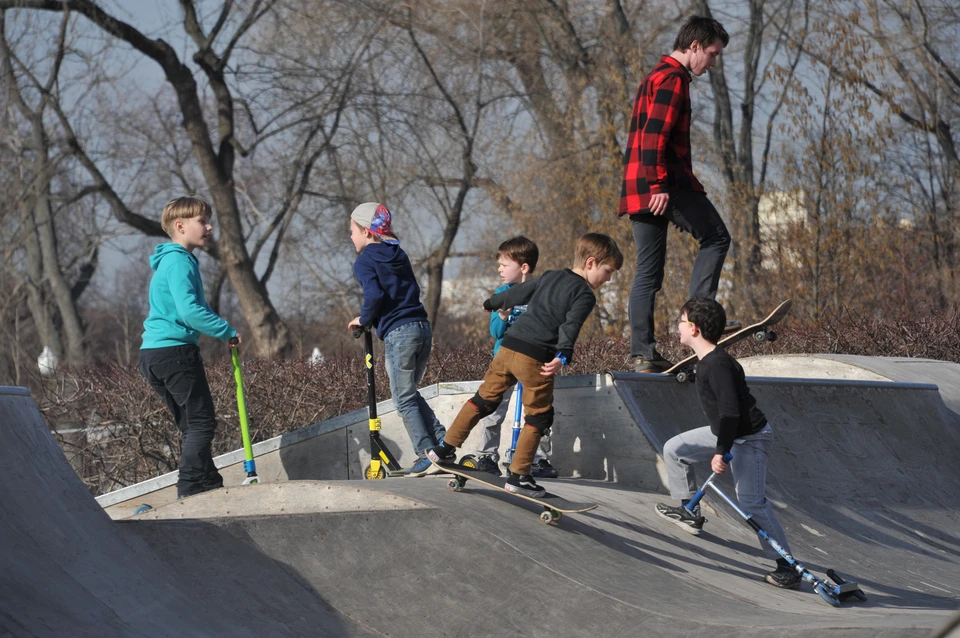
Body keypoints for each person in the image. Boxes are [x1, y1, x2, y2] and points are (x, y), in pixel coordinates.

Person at [427, 233, 623, 496]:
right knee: (539, 416)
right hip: (535, 356)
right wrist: (562, 355)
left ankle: (444, 449)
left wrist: (492, 302)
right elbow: (570, 325)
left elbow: (519, 292)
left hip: (508, 348)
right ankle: (519, 475)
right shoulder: (584, 294)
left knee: (483, 400)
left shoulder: (551, 276)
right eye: (608, 271)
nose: (608, 279)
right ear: (590, 263)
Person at [654, 296, 800, 589]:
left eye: (680, 322)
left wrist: (721, 451)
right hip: (724, 431)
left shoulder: (718, 365)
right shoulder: (708, 362)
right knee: (675, 449)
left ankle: (787, 566)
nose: (677, 328)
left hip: (749, 438)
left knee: (752, 503)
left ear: (694, 329)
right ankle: (689, 511)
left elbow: (731, 412)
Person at [619, 16, 737, 373]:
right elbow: (655, 136)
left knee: (648, 274)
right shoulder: (673, 80)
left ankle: (642, 354)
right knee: (716, 237)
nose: (713, 63)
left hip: (638, 187)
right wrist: (658, 185)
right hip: (663, 185)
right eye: (713, 54)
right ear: (695, 46)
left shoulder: (654, 75)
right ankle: (700, 320)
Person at [139, 196, 238, 499]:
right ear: (180, 226)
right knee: (201, 423)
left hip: (152, 354)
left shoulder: (169, 261)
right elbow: (190, 311)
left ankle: (207, 482)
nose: (209, 227)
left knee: (191, 425)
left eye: (209, 221)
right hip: (175, 353)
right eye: (202, 222)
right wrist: (226, 331)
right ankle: (191, 489)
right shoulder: (180, 262)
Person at [347, 202, 446, 477]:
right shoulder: (397, 253)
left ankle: (426, 453)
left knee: (402, 400)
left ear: (366, 231)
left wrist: (364, 320)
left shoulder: (364, 261)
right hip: (421, 327)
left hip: (399, 334)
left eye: (353, 231)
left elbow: (375, 295)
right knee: (409, 394)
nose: (351, 237)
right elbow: (410, 288)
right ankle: (440, 442)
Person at [472, 236, 556, 479]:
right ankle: (487, 455)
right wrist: (504, 316)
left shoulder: (541, 294)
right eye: (499, 265)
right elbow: (495, 333)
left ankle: (538, 458)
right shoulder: (502, 294)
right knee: (494, 408)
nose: (499, 269)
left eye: (504, 265)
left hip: (534, 362)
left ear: (524, 267)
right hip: (505, 360)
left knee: (538, 410)